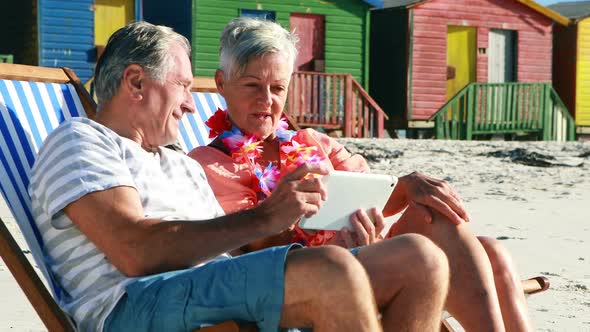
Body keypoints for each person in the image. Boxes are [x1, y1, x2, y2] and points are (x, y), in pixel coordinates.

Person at [29, 21, 451, 332]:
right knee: (331, 271)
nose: (192, 106)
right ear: (136, 81)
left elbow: (232, 260)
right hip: (135, 304)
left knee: (419, 260)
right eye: (183, 87)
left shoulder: (180, 164)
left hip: (208, 289)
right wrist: (269, 216)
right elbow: (134, 251)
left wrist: (326, 240)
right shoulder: (82, 140)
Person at [189, 17, 533, 332]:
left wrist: (409, 186)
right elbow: (254, 247)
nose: (266, 99)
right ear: (222, 82)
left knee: (474, 241)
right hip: (299, 280)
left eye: (277, 88)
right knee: (450, 248)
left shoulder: (312, 141)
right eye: (252, 85)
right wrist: (333, 243)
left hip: (362, 254)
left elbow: (374, 196)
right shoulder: (210, 163)